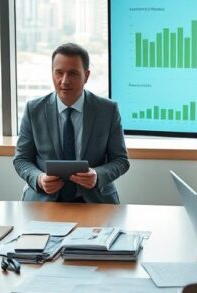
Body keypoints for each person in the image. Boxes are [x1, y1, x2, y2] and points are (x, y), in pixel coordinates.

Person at [14, 42, 130, 203]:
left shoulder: (107, 110)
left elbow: (121, 160)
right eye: (59, 73)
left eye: (73, 74)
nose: (64, 81)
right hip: (44, 199)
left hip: (95, 199)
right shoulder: (33, 110)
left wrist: (97, 176)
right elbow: (21, 160)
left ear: (86, 76)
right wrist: (39, 179)